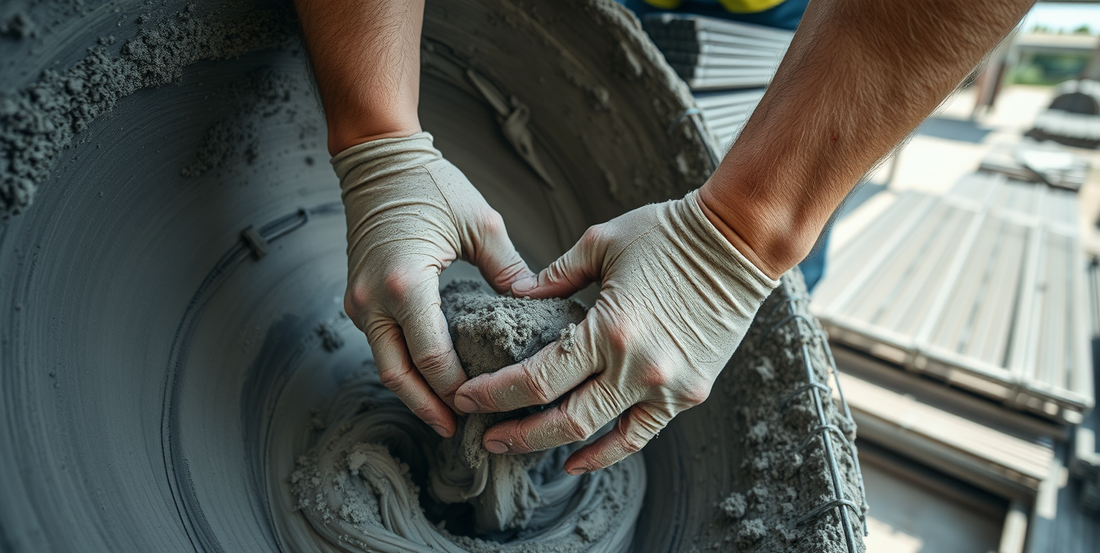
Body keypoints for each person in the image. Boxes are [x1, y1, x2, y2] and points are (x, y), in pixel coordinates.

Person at [293, 0, 1034, 477]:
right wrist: (378, 137)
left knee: (693, 347)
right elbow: (376, 124)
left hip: (814, 57)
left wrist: (735, 240)